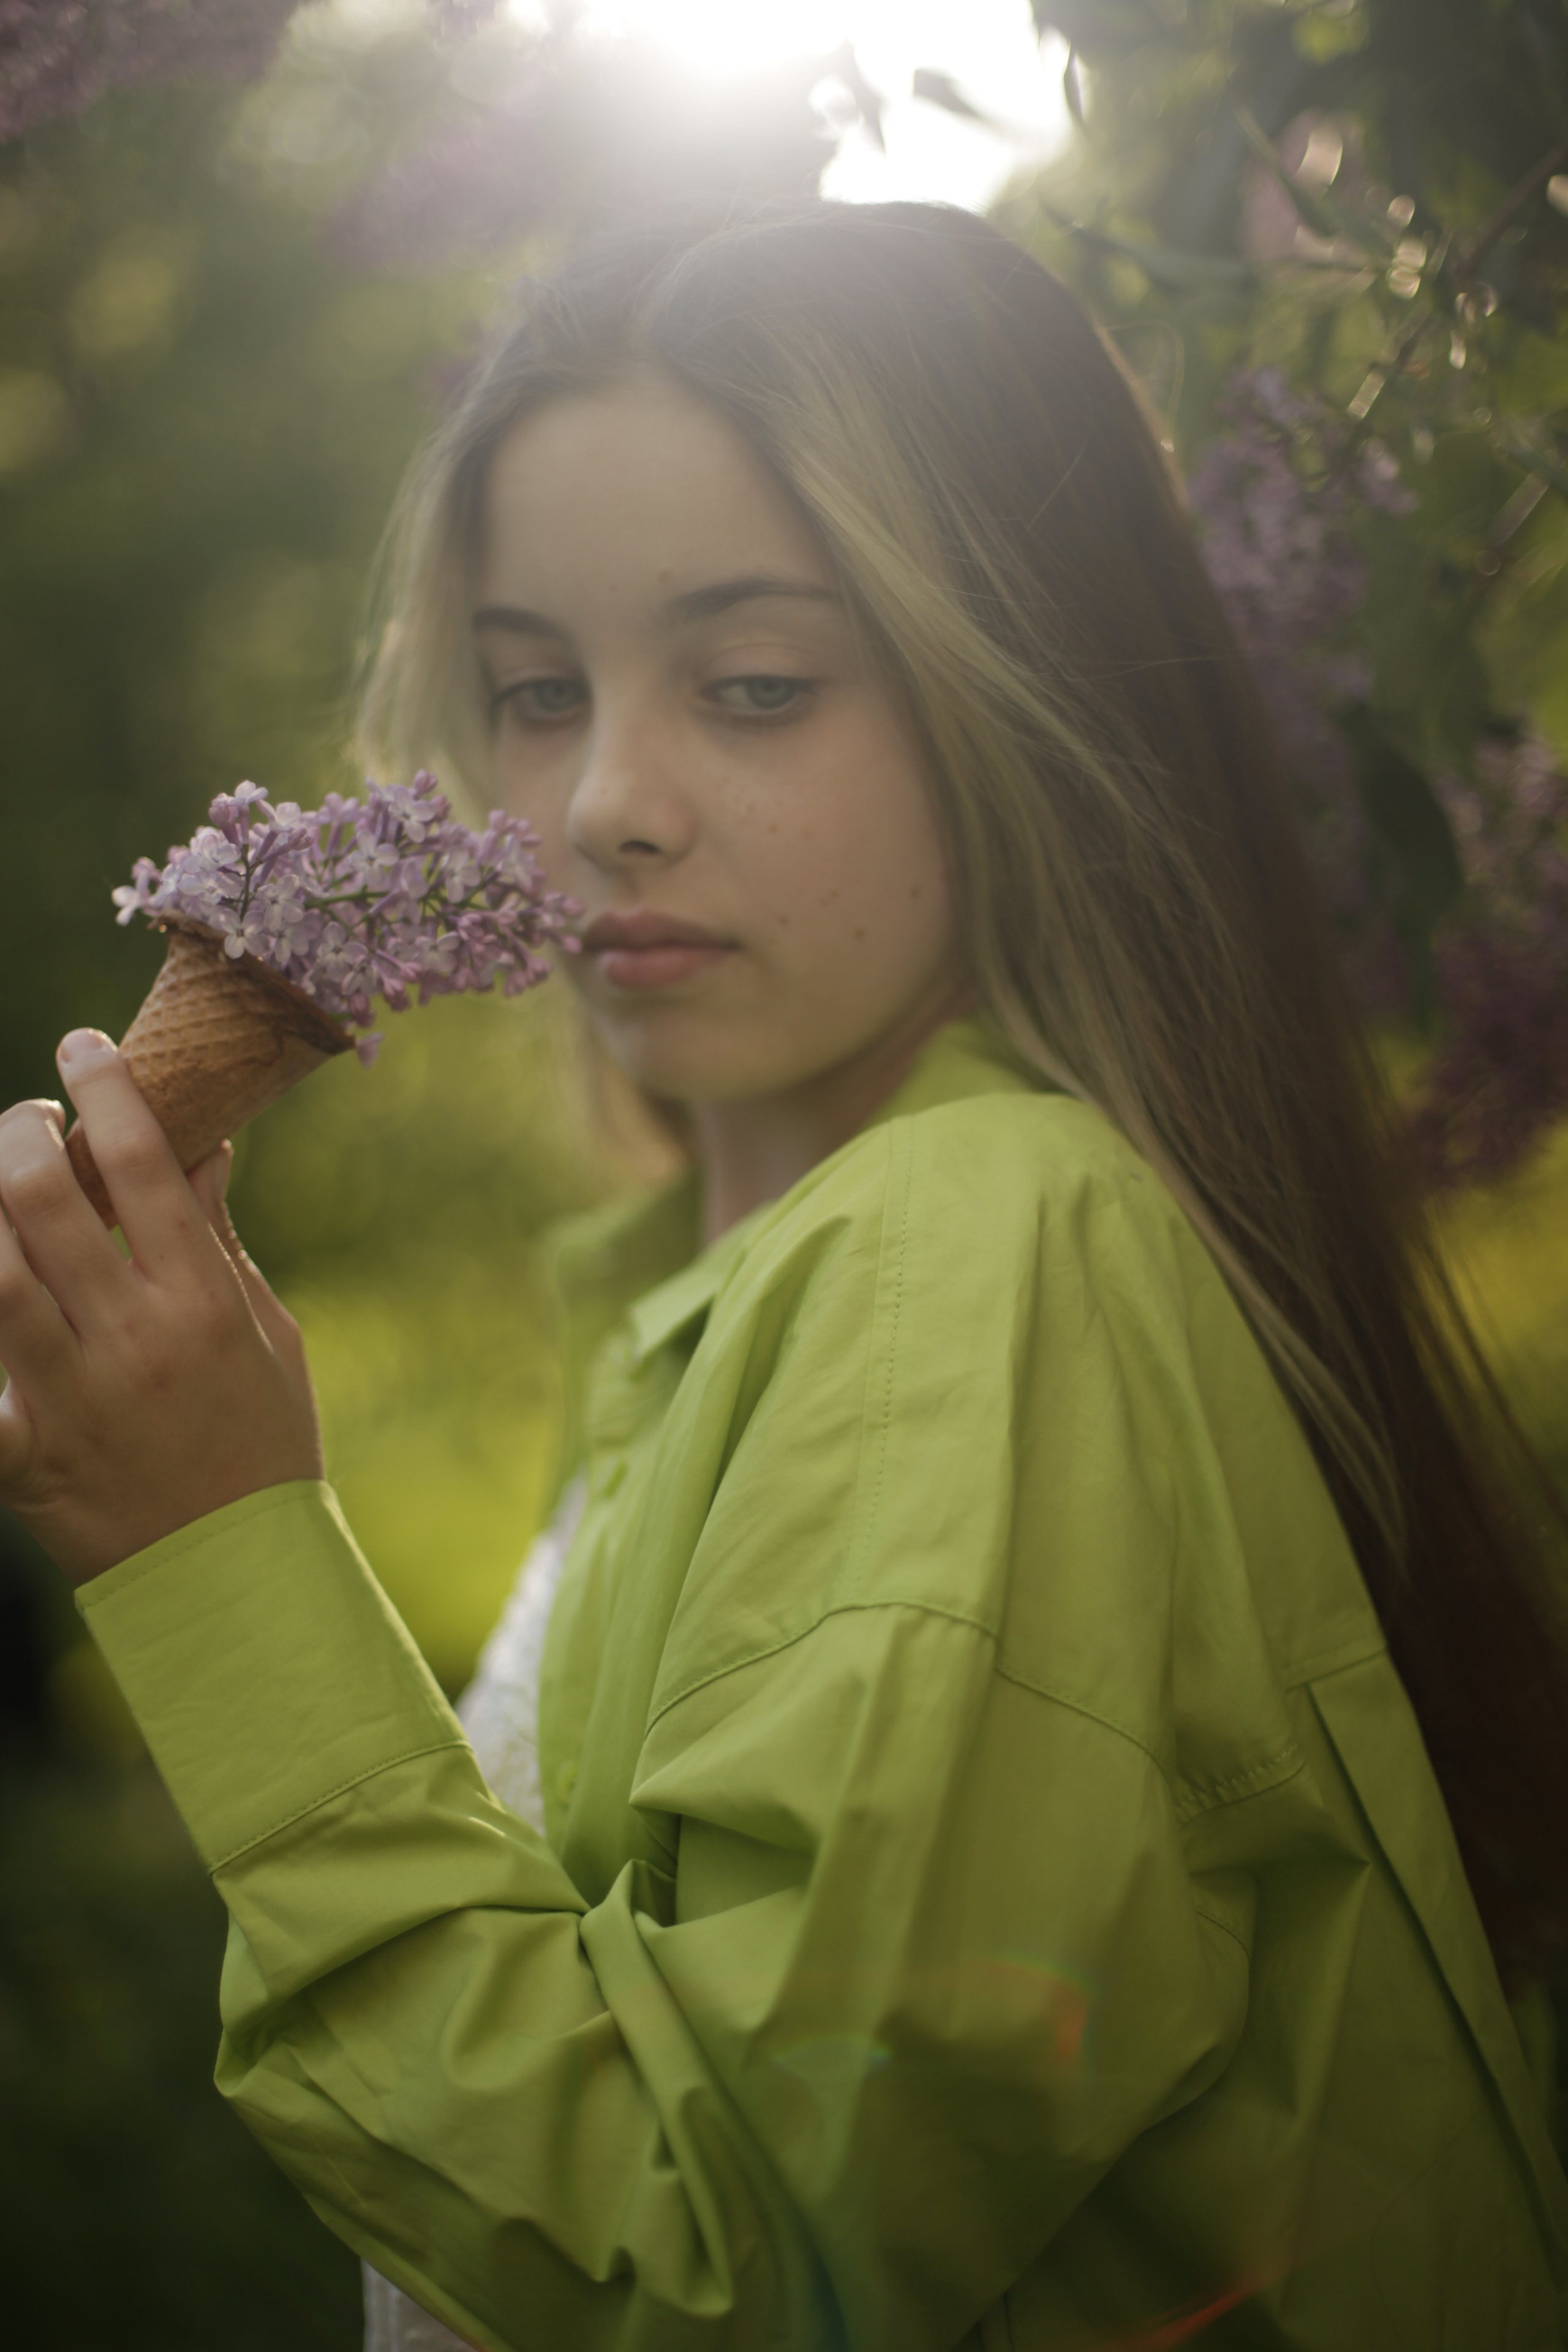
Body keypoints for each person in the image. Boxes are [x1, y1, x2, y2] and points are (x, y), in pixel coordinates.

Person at [2, 199, 1567, 2350]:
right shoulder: (760, 1283)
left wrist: (212, 1553)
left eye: (754, 682)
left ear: (1023, 685)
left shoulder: (988, 1249)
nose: (605, 800)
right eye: (538, 691)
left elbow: (727, 2259)